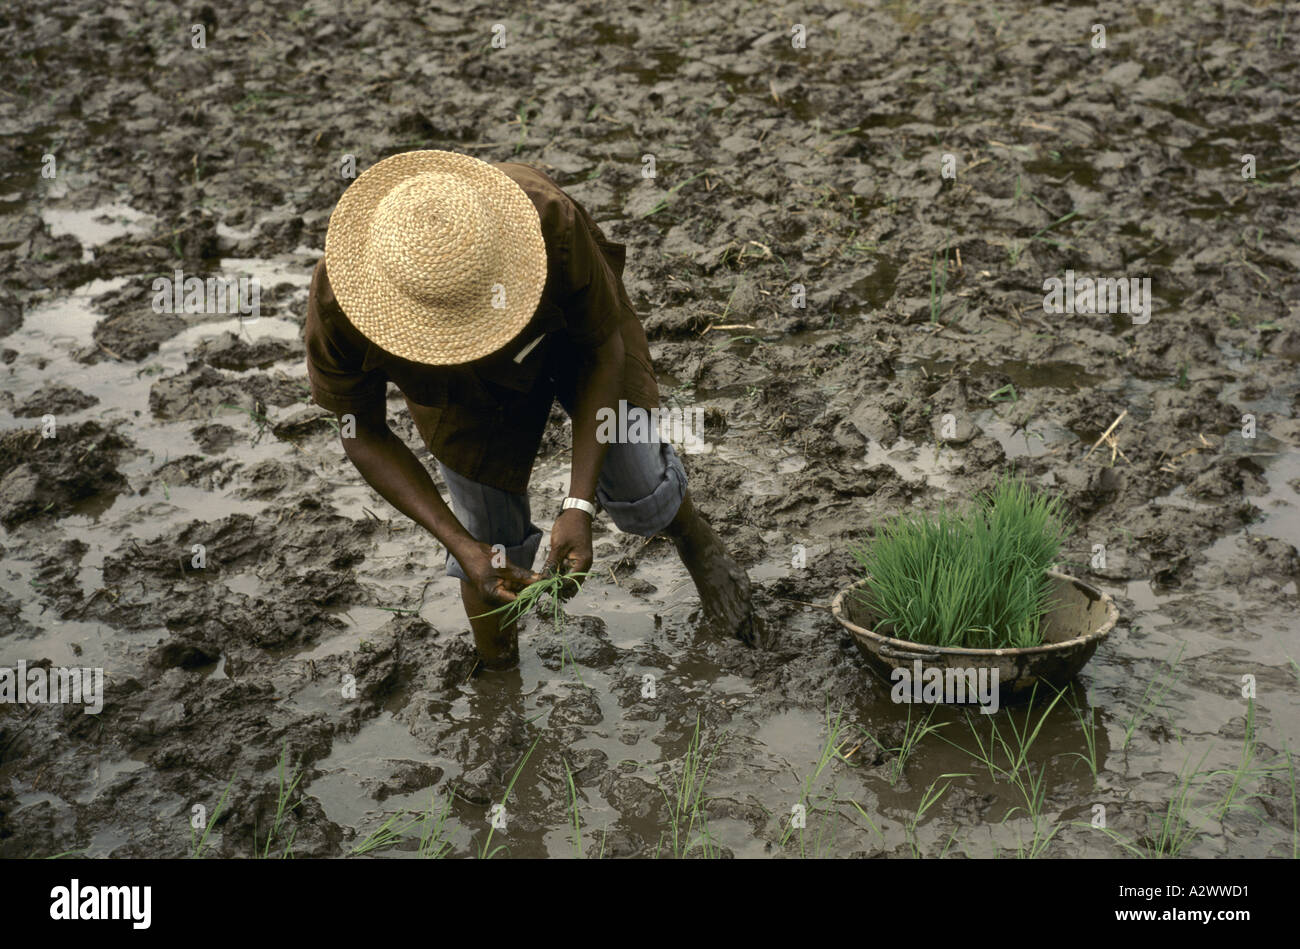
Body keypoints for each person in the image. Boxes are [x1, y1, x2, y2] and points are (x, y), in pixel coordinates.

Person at [304, 150, 762, 670]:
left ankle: (694, 538)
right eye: (446, 331)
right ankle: (499, 680)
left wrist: (579, 505)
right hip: (458, 395)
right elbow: (359, 430)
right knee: (490, 545)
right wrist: (459, 543)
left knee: (638, 477)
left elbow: (601, 347)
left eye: (473, 321)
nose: (468, 339)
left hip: (567, 340)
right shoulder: (341, 303)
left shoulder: (546, 221)